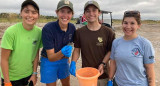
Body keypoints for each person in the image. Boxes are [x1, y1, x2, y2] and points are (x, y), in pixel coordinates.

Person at [69, 1, 115, 86]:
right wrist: (73, 62)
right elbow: (76, 50)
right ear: (84, 14)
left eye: (94, 10)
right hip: (86, 76)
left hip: (103, 75)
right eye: (88, 11)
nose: (91, 13)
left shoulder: (108, 32)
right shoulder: (79, 32)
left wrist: (103, 63)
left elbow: (110, 51)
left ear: (99, 13)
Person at [108, 10, 155, 86]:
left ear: (138, 25)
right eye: (125, 23)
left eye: (132, 23)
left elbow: (150, 69)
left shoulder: (145, 44)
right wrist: (110, 80)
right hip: (118, 83)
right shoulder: (116, 42)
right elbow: (113, 63)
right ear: (122, 23)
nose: (128, 27)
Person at [0, 0, 41, 86]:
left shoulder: (39, 32)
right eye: (26, 11)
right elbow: (4, 59)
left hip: (28, 76)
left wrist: (34, 73)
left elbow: (36, 54)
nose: (30, 15)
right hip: (11, 77)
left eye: (34, 12)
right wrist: (7, 82)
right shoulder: (11, 32)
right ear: (21, 13)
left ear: (38, 16)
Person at [40, 0, 76, 86]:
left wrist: (72, 62)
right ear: (57, 12)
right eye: (62, 11)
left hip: (64, 60)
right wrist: (62, 52)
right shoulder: (48, 29)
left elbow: (76, 46)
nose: (65, 15)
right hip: (49, 61)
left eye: (68, 12)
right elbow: (51, 57)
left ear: (72, 14)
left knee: (66, 84)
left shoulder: (72, 28)